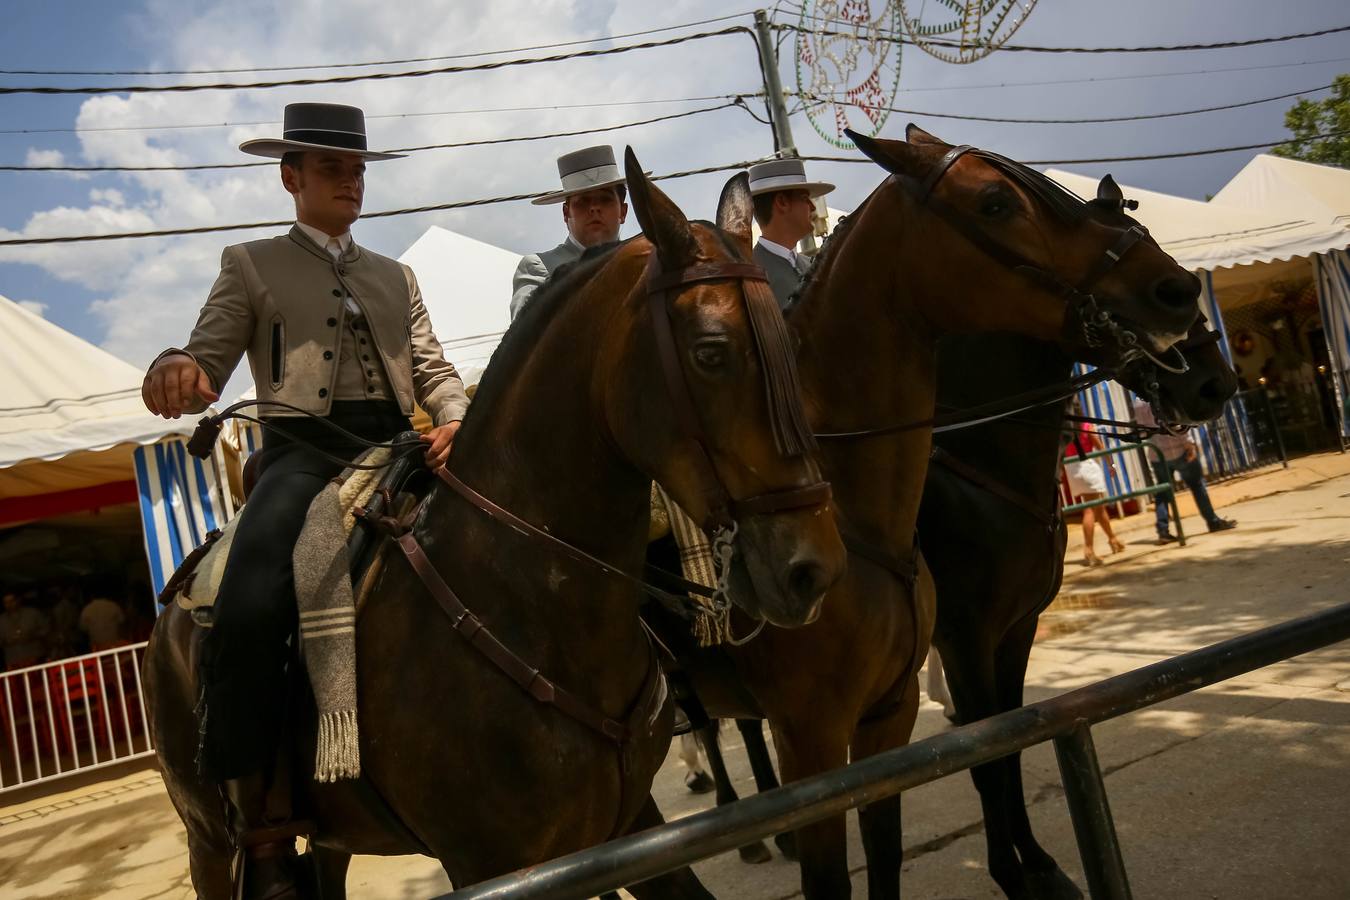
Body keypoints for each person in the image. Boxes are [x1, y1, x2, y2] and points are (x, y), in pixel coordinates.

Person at [141, 101, 469, 898]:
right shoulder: (250, 263)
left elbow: (431, 368)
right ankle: (260, 832)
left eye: (356, 169)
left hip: (401, 447)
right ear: (291, 178)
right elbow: (206, 354)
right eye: (331, 168)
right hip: (300, 457)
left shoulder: (398, 275)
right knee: (251, 593)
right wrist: (176, 370)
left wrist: (457, 416)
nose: (350, 181)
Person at [509, 145, 630, 320]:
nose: (594, 208)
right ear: (566, 214)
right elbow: (523, 341)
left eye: (605, 199)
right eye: (583, 201)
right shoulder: (540, 268)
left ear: (623, 212)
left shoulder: (646, 264)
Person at [1133, 398, 1237, 542]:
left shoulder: (1138, 403)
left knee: (1163, 494)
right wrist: (1189, 444)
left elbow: (1143, 430)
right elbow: (1179, 423)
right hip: (1179, 450)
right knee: (1197, 486)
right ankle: (1212, 521)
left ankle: (1163, 531)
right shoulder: (1163, 395)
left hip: (1158, 454)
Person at [747, 158, 834, 310]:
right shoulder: (749, 275)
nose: (813, 207)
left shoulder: (814, 265)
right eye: (805, 199)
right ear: (782, 202)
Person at [1063, 419, 1125, 566]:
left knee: (1099, 506)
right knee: (1090, 509)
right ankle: (1089, 549)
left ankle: (1113, 539)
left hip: (1072, 469)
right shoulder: (1086, 426)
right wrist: (1112, 464)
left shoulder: (1064, 429)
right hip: (1087, 467)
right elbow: (1101, 447)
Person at [0, 591, 49, 670]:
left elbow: (46, 630)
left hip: (35, 656)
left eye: (11, 601)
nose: (9, 604)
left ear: (18, 600)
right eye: (6, 602)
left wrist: (32, 636)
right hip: (13, 660)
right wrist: (6, 641)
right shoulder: (1, 620)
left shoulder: (32, 613)